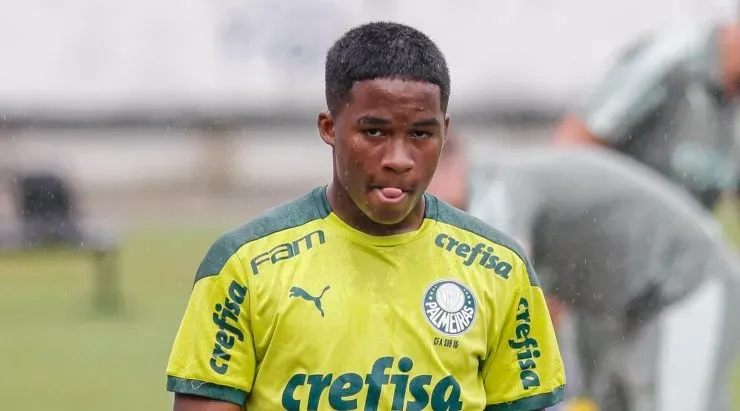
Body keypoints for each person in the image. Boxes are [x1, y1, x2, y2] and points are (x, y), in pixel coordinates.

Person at [165, 22, 566, 411]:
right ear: (329, 127)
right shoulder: (242, 266)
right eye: (374, 132)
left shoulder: (500, 269)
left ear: (445, 132)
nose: (399, 160)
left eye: (421, 135)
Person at [427, 136, 740, 411]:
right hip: (627, 311)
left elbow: (497, 287)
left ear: (451, 163)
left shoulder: (497, 183)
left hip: (690, 282)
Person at [552, 20, 740, 210]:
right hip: (616, 225)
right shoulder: (669, 60)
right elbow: (578, 138)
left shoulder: (733, 90)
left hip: (675, 233)